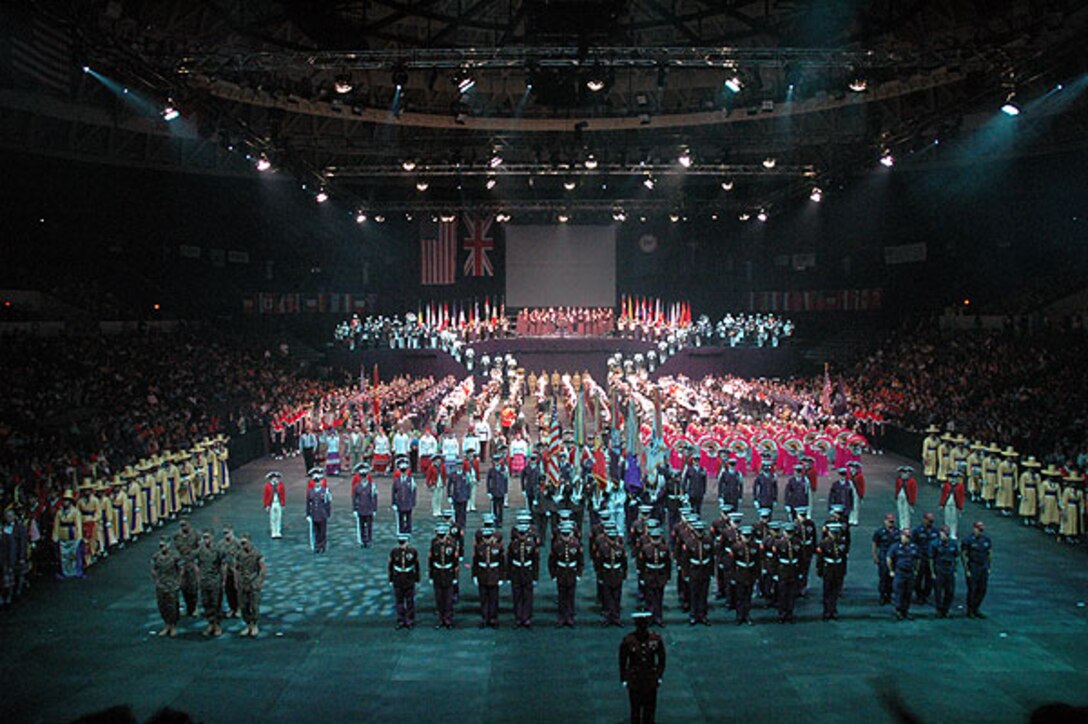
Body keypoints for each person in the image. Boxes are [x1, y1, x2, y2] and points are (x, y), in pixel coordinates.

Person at [619, 611, 666, 724]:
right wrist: (624, 678)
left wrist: (659, 675)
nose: (642, 627)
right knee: (635, 711)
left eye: (644, 624)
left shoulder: (655, 639)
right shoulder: (629, 640)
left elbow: (661, 659)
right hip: (635, 680)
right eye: (640, 624)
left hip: (650, 679)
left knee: (649, 711)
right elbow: (623, 661)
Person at [507, 514, 540, 628]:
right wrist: (508, 575)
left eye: (523, 534)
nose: (522, 536)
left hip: (527, 571)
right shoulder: (513, 545)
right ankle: (518, 617)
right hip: (516, 571)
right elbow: (509, 559)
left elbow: (536, 561)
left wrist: (535, 576)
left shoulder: (531, 545)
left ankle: (526, 618)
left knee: (527, 596)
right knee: (517, 596)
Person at [549, 521, 584, 627]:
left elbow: (580, 560)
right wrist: (553, 574)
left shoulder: (576, 544)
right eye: (564, 534)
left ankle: (570, 617)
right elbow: (552, 561)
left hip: (572, 572)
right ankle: (562, 617)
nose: (566, 536)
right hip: (561, 571)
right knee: (562, 596)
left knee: (571, 596)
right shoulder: (557, 544)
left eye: (567, 534)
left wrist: (579, 573)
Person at [193, 530, 225, 637]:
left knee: (216, 603)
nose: (206, 539)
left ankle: (217, 625)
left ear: (212, 537)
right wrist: (198, 577)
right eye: (204, 537)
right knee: (206, 603)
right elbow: (194, 562)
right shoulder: (200, 550)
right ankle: (210, 623)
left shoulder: (218, 550)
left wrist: (223, 579)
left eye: (207, 537)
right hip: (204, 581)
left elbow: (223, 565)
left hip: (215, 580)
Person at [637, 525, 670, 626]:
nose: (656, 540)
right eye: (654, 538)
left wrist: (667, 577)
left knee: (659, 598)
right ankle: (650, 617)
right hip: (649, 575)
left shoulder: (664, 549)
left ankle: (658, 617)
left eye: (657, 538)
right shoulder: (646, 549)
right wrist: (642, 577)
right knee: (649, 599)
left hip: (660, 575)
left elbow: (668, 564)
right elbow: (641, 564)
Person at [472, 526, 505, 628]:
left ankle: (493, 618)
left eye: (488, 537)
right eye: (485, 537)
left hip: (494, 575)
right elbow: (475, 563)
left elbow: (502, 563)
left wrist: (502, 577)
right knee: (483, 599)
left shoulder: (498, 547)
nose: (487, 539)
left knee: (493, 599)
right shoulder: (479, 547)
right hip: (482, 574)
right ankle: (485, 618)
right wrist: (475, 575)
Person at [428, 523, 459, 629]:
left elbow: (455, 564)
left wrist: (455, 577)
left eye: (442, 535)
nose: (441, 538)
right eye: (439, 535)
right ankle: (441, 620)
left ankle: (448, 620)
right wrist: (431, 576)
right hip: (437, 573)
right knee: (439, 599)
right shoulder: (434, 545)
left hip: (448, 573)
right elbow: (431, 562)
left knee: (448, 600)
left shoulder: (451, 545)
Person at [236, 533, 266, 637]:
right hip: (242, 583)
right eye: (241, 543)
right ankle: (248, 624)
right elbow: (236, 568)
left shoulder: (256, 553)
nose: (243, 545)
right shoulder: (239, 554)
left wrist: (260, 582)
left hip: (253, 583)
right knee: (243, 606)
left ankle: (254, 624)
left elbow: (262, 569)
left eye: (245, 543)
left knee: (254, 606)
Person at [886, 528, 920, 620]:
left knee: (908, 593)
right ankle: (898, 611)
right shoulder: (895, 547)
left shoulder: (914, 547)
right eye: (905, 536)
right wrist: (891, 570)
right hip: (899, 573)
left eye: (908, 537)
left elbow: (917, 559)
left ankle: (906, 611)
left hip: (910, 573)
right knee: (899, 593)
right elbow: (889, 558)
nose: (907, 539)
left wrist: (916, 569)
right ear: (901, 536)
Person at [150, 537, 182, 637]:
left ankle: (173, 626)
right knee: (162, 606)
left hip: (172, 585)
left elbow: (181, 569)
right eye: (160, 546)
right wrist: (156, 581)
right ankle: (166, 625)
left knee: (172, 606)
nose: (162, 548)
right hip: (161, 585)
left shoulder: (175, 556)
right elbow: (153, 569)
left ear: (168, 545)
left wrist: (178, 581)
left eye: (163, 545)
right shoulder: (156, 556)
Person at [598, 524, 628, 627]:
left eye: (613, 538)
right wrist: (600, 576)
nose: (612, 541)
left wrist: (624, 575)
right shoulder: (603, 548)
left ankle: (616, 617)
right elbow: (599, 563)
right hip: (606, 574)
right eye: (610, 538)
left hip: (617, 573)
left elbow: (624, 563)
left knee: (616, 597)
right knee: (607, 597)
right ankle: (608, 617)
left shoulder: (620, 548)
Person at [961, 520, 992, 618]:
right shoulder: (968, 540)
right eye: (978, 529)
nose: (980, 531)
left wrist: (989, 566)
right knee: (972, 590)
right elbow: (963, 555)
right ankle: (970, 610)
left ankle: (976, 608)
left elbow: (989, 553)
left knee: (982, 589)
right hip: (973, 566)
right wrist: (967, 569)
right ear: (974, 528)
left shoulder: (986, 540)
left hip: (983, 566)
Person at [389, 533, 420, 629]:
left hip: (409, 578)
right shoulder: (394, 552)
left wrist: (417, 578)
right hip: (398, 579)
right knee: (399, 602)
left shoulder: (412, 552)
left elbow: (416, 566)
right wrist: (391, 579)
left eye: (404, 543)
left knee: (410, 601)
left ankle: (410, 620)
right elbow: (390, 566)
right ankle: (401, 620)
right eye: (401, 543)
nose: (402, 545)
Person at [816, 522, 846, 620]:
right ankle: (826, 611)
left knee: (835, 592)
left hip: (837, 568)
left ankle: (833, 610)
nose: (834, 535)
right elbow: (820, 558)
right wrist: (819, 570)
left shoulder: (841, 543)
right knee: (827, 591)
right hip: (828, 568)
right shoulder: (824, 543)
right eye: (832, 533)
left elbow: (843, 557)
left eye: (836, 533)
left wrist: (843, 570)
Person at [731, 525, 761, 625]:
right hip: (740, 573)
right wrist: (733, 576)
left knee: (748, 597)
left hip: (750, 574)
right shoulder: (735, 547)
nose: (746, 538)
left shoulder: (755, 546)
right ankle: (739, 616)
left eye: (748, 536)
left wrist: (757, 575)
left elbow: (757, 561)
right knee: (739, 597)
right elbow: (732, 563)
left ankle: (747, 615)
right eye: (745, 536)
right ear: (740, 536)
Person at [773, 522, 801, 624]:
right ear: (783, 532)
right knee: (783, 594)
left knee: (791, 595)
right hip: (783, 570)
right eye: (787, 532)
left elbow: (801, 557)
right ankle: (782, 614)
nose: (789, 534)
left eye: (791, 532)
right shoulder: (779, 543)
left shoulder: (797, 542)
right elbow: (774, 559)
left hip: (793, 569)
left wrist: (800, 571)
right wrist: (775, 573)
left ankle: (790, 614)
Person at [53, 490, 84, 579]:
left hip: (73, 535)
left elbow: (78, 525)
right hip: (63, 535)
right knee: (64, 555)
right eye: (64, 500)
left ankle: (75, 571)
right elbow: (56, 526)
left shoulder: (75, 512)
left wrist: (79, 537)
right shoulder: (59, 512)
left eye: (67, 500)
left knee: (73, 555)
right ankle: (65, 572)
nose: (65, 502)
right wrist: (55, 537)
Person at [929, 525, 959, 618]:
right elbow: (931, 559)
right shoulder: (934, 544)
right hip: (939, 569)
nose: (946, 535)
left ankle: (946, 609)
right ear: (940, 533)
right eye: (944, 533)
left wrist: (955, 570)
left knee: (950, 591)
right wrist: (932, 572)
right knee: (938, 591)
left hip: (949, 569)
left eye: (947, 534)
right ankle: (939, 609)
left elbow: (956, 557)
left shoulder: (953, 543)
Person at [1, 509, 29, 607]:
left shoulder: (20, 528)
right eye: (6, 516)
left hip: (15, 556)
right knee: (5, 577)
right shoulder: (3, 528)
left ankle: (13, 595)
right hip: (4, 556)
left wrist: (22, 557)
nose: (8, 518)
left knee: (15, 577)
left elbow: (23, 544)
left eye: (10, 516)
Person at [172, 518, 200, 616]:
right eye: (181, 525)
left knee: (193, 586)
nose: (183, 527)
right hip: (182, 564)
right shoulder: (176, 536)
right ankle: (188, 608)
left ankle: (195, 607)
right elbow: (176, 549)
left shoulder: (196, 534)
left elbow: (199, 548)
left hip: (192, 563)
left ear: (189, 524)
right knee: (183, 587)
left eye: (185, 525)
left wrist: (194, 558)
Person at [911, 513, 939, 605]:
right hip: (920, 557)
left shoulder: (935, 531)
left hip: (931, 558)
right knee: (918, 578)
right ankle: (919, 595)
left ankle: (925, 595)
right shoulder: (917, 531)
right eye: (929, 520)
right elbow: (913, 543)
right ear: (924, 519)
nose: (930, 523)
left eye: (932, 521)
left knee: (930, 578)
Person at [871, 513, 898, 606]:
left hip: (894, 558)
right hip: (883, 556)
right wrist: (875, 556)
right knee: (883, 578)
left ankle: (889, 596)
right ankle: (882, 596)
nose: (891, 523)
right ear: (885, 521)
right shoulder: (880, 532)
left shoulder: (897, 532)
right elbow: (874, 544)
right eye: (889, 521)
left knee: (892, 578)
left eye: (892, 521)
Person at [217, 527, 242, 618]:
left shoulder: (238, 543)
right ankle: (232, 608)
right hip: (225, 572)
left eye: (227, 532)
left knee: (237, 590)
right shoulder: (221, 544)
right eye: (224, 533)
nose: (226, 535)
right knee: (228, 591)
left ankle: (239, 608)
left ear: (232, 531)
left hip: (236, 571)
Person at [352, 462, 378, 548]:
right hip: (361, 508)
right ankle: (363, 540)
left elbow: (374, 498)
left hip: (369, 508)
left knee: (369, 526)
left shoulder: (372, 486)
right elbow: (354, 499)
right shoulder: (357, 486)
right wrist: (355, 509)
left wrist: (374, 509)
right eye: (361, 476)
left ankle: (369, 540)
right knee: (362, 526)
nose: (363, 478)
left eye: (365, 475)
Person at [307, 475, 332, 554]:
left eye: (319, 481)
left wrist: (328, 514)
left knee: (322, 531)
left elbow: (328, 503)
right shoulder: (311, 491)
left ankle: (322, 545)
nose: (317, 483)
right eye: (316, 481)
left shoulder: (325, 491)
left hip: (322, 514)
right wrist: (308, 514)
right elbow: (308, 503)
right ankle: (317, 545)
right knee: (316, 531)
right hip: (314, 514)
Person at [392, 457, 418, 535]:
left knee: (408, 518)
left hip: (408, 502)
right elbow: (393, 492)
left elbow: (413, 492)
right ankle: (401, 531)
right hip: (400, 503)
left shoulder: (411, 480)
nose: (403, 473)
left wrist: (413, 502)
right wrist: (393, 503)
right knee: (400, 518)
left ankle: (408, 531)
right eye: (402, 471)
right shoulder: (396, 481)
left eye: (404, 471)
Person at [446, 456, 471, 532]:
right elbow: (449, 486)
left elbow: (468, 485)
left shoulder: (465, 474)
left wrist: (468, 495)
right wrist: (449, 496)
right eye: (458, 465)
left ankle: (463, 525)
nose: (459, 466)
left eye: (460, 465)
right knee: (456, 512)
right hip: (456, 496)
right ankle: (457, 525)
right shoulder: (452, 474)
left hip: (463, 496)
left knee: (463, 512)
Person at [939, 470, 966, 539]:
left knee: (954, 519)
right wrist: (942, 504)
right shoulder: (946, 485)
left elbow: (961, 497)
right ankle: (946, 532)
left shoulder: (960, 486)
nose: (953, 480)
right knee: (947, 518)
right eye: (952, 478)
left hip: (955, 504)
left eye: (955, 478)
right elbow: (943, 495)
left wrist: (960, 507)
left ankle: (953, 533)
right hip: (947, 503)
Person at [1017, 456, 1042, 527]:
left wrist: (1039, 494)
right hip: (1027, 490)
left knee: (1032, 505)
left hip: (1033, 491)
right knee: (1026, 504)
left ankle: (1031, 517)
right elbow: (1022, 484)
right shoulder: (1024, 475)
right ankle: (1026, 517)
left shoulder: (1037, 476)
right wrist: (1023, 494)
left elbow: (1039, 485)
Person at [487, 453, 510, 526]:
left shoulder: (503, 469)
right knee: (494, 507)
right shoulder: (491, 470)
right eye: (495, 461)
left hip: (501, 491)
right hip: (494, 491)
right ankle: (495, 519)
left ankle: (500, 520)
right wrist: (489, 491)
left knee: (500, 507)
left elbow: (505, 480)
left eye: (498, 460)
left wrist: (505, 491)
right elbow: (488, 481)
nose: (496, 462)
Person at [262, 472, 285, 539]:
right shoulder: (268, 486)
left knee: (278, 517)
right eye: (273, 478)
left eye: (276, 478)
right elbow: (265, 496)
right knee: (273, 518)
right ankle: (273, 532)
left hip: (278, 503)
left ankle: (278, 531)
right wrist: (266, 505)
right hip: (271, 503)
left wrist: (283, 504)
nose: (275, 479)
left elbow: (283, 495)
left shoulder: (280, 485)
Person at [894, 466, 917, 530]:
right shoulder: (899, 480)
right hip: (900, 497)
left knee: (906, 512)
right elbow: (897, 488)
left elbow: (913, 491)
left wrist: (912, 501)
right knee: (900, 511)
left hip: (907, 498)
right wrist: (896, 496)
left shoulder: (912, 481)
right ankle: (901, 525)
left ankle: (906, 526)